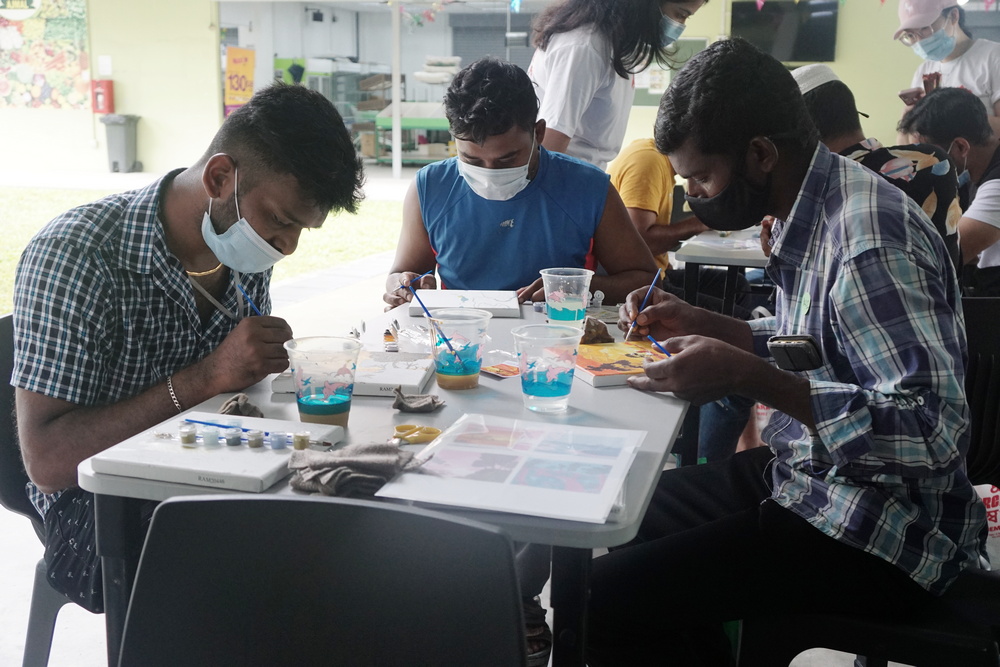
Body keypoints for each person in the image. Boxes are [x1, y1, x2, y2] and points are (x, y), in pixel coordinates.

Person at [584, 38, 986, 666]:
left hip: (884, 525)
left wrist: (754, 378)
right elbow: (823, 346)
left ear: (762, 154)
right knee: (626, 514)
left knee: (601, 605)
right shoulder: (813, 205)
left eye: (702, 176)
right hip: (811, 476)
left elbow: (933, 433)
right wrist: (717, 326)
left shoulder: (867, 237)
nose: (693, 193)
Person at [12, 82, 364, 612]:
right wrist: (206, 378)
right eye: (280, 220)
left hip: (215, 467)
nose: (285, 246)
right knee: (273, 584)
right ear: (221, 177)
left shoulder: (245, 255)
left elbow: (239, 393)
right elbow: (48, 461)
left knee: (363, 526)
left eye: (300, 231)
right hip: (99, 505)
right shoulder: (78, 255)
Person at [383, 57, 657, 311]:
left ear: (538, 133)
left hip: (558, 339)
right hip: (461, 340)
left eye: (506, 160)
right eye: (471, 161)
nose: (489, 174)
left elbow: (646, 281)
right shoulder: (431, 187)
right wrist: (402, 286)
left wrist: (575, 289)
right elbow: (402, 273)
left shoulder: (588, 188)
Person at [793, 63, 963, 273]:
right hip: (945, 303)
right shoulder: (933, 162)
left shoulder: (821, 186)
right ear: (853, 113)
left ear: (803, 136)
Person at [528, 0, 707, 170]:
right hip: (561, 179)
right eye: (680, 14)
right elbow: (551, 140)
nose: (680, 25)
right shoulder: (585, 46)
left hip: (580, 175)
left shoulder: (615, 44)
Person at [899, 86, 1000, 296]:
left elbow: (947, 254)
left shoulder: (996, 186)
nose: (923, 166)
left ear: (961, 147)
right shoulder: (971, 170)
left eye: (929, 155)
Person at [894, 0, 1000, 134]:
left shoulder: (993, 57)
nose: (920, 41)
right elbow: (906, 143)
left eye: (925, 28)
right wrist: (908, 116)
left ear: (954, 16)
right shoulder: (923, 71)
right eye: (910, 35)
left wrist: (950, 112)